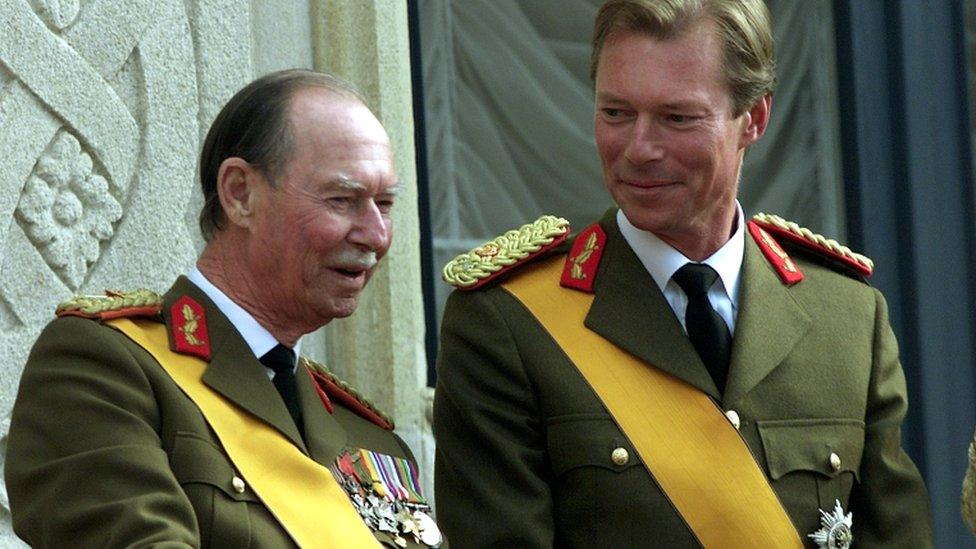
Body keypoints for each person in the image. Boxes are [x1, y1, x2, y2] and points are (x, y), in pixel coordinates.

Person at [433, 1, 932, 547]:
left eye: (677, 118)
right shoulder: (509, 323)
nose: (639, 149)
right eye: (616, 113)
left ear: (755, 119)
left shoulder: (849, 319)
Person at [5, 70, 442, 548]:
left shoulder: (368, 437)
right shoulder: (104, 368)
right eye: (343, 200)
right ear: (239, 193)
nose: (376, 236)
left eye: (384, 203)